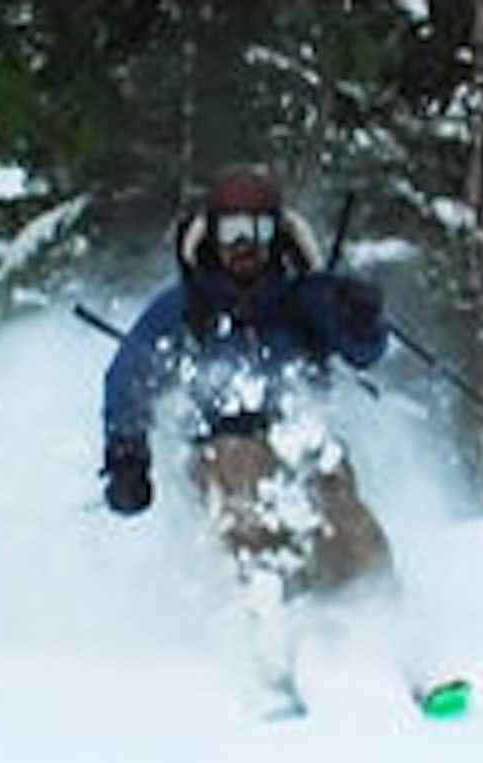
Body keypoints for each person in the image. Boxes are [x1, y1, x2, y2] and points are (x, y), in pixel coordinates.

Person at [99, 164, 395, 601]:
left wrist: (362, 317)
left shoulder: (305, 297)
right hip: (221, 445)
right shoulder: (187, 307)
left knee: (344, 518)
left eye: (257, 231)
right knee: (246, 492)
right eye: (233, 231)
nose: (244, 245)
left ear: (276, 234)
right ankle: (265, 614)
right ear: (213, 234)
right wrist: (127, 454)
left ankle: (374, 616)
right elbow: (130, 373)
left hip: (302, 436)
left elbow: (363, 353)